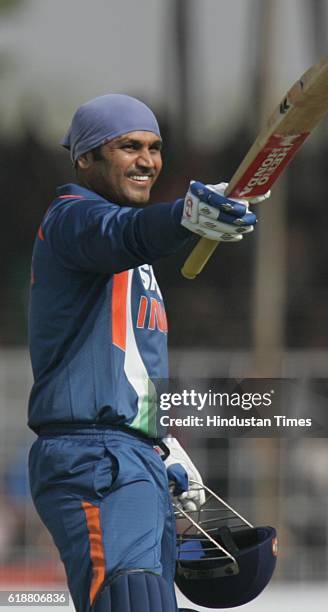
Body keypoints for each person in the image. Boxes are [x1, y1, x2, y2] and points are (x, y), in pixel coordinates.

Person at [27, 94, 258, 612]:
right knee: (132, 601)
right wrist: (186, 215)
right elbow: (123, 232)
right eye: (128, 146)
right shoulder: (72, 220)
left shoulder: (135, 259)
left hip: (134, 457)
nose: (147, 160)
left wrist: (163, 442)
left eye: (154, 148)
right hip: (94, 457)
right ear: (85, 158)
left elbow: (137, 364)